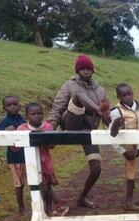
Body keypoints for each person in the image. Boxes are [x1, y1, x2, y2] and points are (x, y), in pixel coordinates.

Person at [47, 55, 111, 209]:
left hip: (89, 130)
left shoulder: (100, 90)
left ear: (93, 70)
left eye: (88, 69)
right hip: (72, 123)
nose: (86, 71)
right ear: (77, 71)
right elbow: (57, 108)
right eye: (82, 69)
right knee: (78, 96)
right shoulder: (69, 85)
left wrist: (111, 121)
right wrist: (49, 130)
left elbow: (108, 115)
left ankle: (82, 198)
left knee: (96, 169)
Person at [18, 103, 67, 216]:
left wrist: (44, 138)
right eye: (33, 114)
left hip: (45, 163)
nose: (36, 116)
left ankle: (49, 209)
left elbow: (52, 146)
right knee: (39, 187)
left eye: (39, 113)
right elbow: (16, 147)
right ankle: (40, 210)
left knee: (48, 187)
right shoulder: (22, 129)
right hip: (32, 164)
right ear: (27, 116)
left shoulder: (47, 127)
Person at [109, 83, 139, 211]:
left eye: (129, 94)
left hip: (136, 144)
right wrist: (123, 152)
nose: (127, 97)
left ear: (133, 93)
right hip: (126, 146)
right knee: (130, 174)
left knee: (132, 172)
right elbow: (112, 136)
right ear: (118, 97)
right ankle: (129, 202)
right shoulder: (116, 111)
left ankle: (129, 201)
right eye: (124, 95)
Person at [0, 96, 26, 215]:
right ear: (4, 108)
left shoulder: (23, 119)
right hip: (15, 157)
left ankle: (47, 203)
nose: (13, 106)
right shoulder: (4, 122)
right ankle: (21, 208)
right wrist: (6, 131)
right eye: (9, 105)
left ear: (19, 105)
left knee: (39, 179)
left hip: (27, 155)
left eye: (15, 104)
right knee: (19, 184)